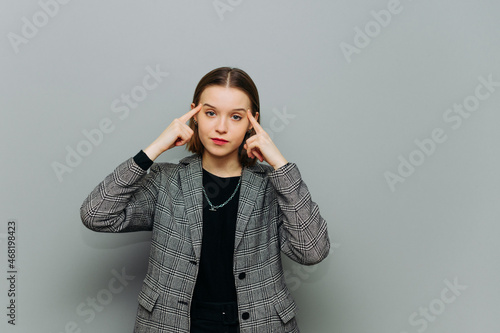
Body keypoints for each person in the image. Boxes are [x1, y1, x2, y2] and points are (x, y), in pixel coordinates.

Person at [80, 67, 330, 333]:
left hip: (258, 324)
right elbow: (96, 214)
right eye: (210, 113)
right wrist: (154, 148)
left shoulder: (273, 184)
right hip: (173, 324)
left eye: (236, 117)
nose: (221, 127)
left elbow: (311, 251)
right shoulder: (165, 180)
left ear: (252, 121)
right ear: (195, 114)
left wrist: (279, 164)